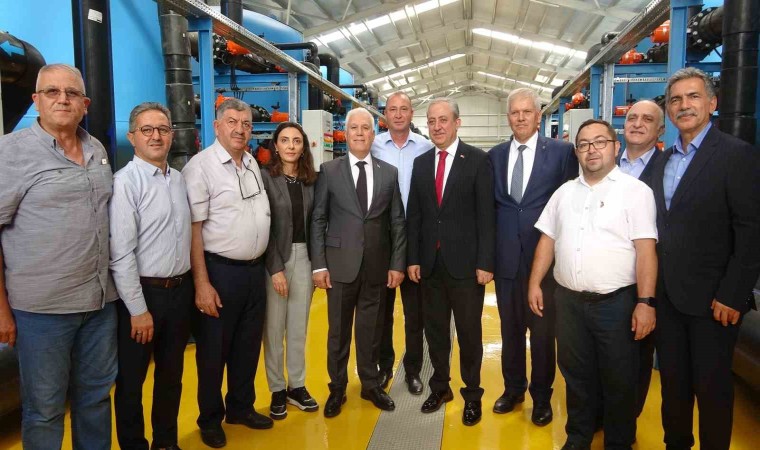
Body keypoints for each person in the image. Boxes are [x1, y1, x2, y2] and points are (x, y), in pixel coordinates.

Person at [0, 63, 117, 450]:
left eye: (71, 93)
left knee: (95, 400)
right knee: (45, 409)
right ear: (36, 100)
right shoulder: (10, 153)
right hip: (42, 312)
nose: (62, 99)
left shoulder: (97, 149)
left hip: (99, 305)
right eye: (52, 92)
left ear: (85, 104)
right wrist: (1, 310)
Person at [529, 118, 658, 450]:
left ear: (615, 147)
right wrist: (535, 283)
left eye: (600, 142)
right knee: (576, 375)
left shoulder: (635, 192)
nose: (592, 150)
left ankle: (618, 442)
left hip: (616, 304)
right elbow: (547, 240)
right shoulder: (564, 193)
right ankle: (578, 437)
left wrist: (645, 303)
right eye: (584, 144)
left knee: (619, 379)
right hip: (569, 303)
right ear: (577, 152)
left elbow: (646, 250)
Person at [649, 68, 760, 450]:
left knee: (713, 390)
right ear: (669, 110)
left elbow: (751, 232)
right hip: (667, 297)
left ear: (712, 103)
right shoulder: (662, 162)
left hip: (715, 302)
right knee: (673, 386)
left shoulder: (736, 155)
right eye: (676, 99)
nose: (684, 105)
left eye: (693, 97)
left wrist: (732, 294)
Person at [182, 98, 272, 448]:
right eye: (232, 122)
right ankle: (209, 418)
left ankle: (240, 408)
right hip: (220, 272)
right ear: (217, 126)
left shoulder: (250, 162)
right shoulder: (201, 167)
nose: (240, 129)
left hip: (253, 272)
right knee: (213, 352)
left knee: (247, 347)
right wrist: (202, 283)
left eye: (246, 123)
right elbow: (194, 230)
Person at [488, 87, 577, 426]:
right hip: (507, 262)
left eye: (527, 112)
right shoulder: (495, 156)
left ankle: (542, 398)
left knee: (542, 335)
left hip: (545, 262)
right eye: (515, 112)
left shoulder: (562, 153)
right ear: (508, 117)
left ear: (539, 116)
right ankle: (513, 390)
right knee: (510, 331)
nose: (521, 117)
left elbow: (570, 204)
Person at [311, 108, 406, 418]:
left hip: (376, 267)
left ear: (373, 133)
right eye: (354, 128)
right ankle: (337, 388)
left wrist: (396, 264)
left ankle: (370, 384)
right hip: (339, 266)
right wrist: (319, 265)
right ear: (347, 132)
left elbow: (397, 222)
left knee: (371, 330)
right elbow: (319, 218)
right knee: (338, 333)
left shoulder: (388, 173)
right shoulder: (329, 171)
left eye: (366, 128)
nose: (360, 133)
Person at [406, 98, 495, 426]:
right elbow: (415, 214)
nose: (437, 126)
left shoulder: (478, 160)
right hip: (430, 265)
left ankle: (472, 395)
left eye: (443, 120)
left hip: (467, 266)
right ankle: (440, 387)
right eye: (431, 121)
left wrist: (486, 262)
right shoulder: (421, 163)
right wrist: (413, 258)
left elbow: (487, 216)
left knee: (470, 333)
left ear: (457, 122)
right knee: (435, 332)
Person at [110, 102, 193, 450]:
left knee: (171, 376)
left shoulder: (179, 180)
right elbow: (121, 254)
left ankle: (165, 442)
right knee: (132, 381)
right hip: (143, 295)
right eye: (147, 130)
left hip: (179, 291)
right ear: (133, 137)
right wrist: (137, 309)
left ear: (172, 135)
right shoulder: (125, 183)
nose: (156, 136)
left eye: (163, 129)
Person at [371, 91, 432, 394]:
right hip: (382, 236)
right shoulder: (372, 146)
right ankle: (384, 366)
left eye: (403, 109)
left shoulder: (425, 147)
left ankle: (413, 369)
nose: (397, 114)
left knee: (414, 313)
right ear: (385, 115)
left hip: (415, 235)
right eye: (392, 109)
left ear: (411, 114)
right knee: (381, 311)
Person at [260, 122, 319, 420]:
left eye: (297, 141)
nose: (291, 146)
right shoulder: (265, 178)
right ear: (276, 145)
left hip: (305, 257)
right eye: (285, 140)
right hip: (276, 259)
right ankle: (277, 389)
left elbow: (318, 223)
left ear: (303, 146)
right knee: (273, 329)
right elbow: (264, 226)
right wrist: (275, 268)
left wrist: (318, 264)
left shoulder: (311, 180)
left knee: (298, 327)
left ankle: (297, 385)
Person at [619, 99, 664, 418]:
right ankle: (600, 414)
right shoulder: (605, 163)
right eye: (632, 117)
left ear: (660, 130)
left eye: (647, 119)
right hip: (605, 277)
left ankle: (626, 421)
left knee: (637, 351)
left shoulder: (668, 168)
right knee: (601, 352)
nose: (637, 124)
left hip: (645, 277)